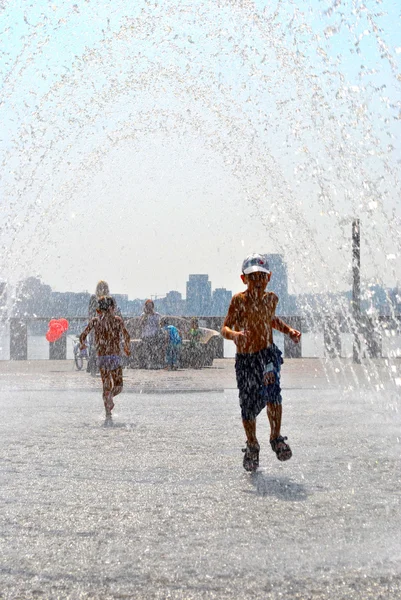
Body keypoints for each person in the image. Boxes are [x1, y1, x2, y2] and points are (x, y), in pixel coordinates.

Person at [221, 253, 301, 471]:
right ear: (243, 279)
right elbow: (224, 328)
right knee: (248, 405)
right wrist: (235, 335)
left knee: (272, 390)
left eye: (261, 277)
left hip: (267, 354)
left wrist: (288, 331)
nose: (257, 281)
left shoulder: (271, 299)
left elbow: (269, 319)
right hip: (246, 359)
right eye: (252, 277)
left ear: (269, 278)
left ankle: (276, 437)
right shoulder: (239, 300)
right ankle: (252, 444)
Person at [80, 296, 131, 419]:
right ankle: (111, 397)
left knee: (106, 386)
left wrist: (83, 345)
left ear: (99, 309)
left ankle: (108, 413)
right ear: (112, 308)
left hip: (102, 357)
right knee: (118, 385)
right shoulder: (117, 320)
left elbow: (83, 336)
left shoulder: (95, 321)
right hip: (114, 356)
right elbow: (127, 336)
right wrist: (126, 348)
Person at [139, 299, 162, 368]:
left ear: (153, 306)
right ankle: (147, 364)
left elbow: (159, 325)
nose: (149, 307)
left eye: (150, 305)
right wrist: (146, 315)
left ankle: (155, 363)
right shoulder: (143, 315)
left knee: (154, 349)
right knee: (147, 349)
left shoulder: (157, 315)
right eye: (148, 306)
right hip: (146, 335)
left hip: (155, 335)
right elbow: (141, 324)